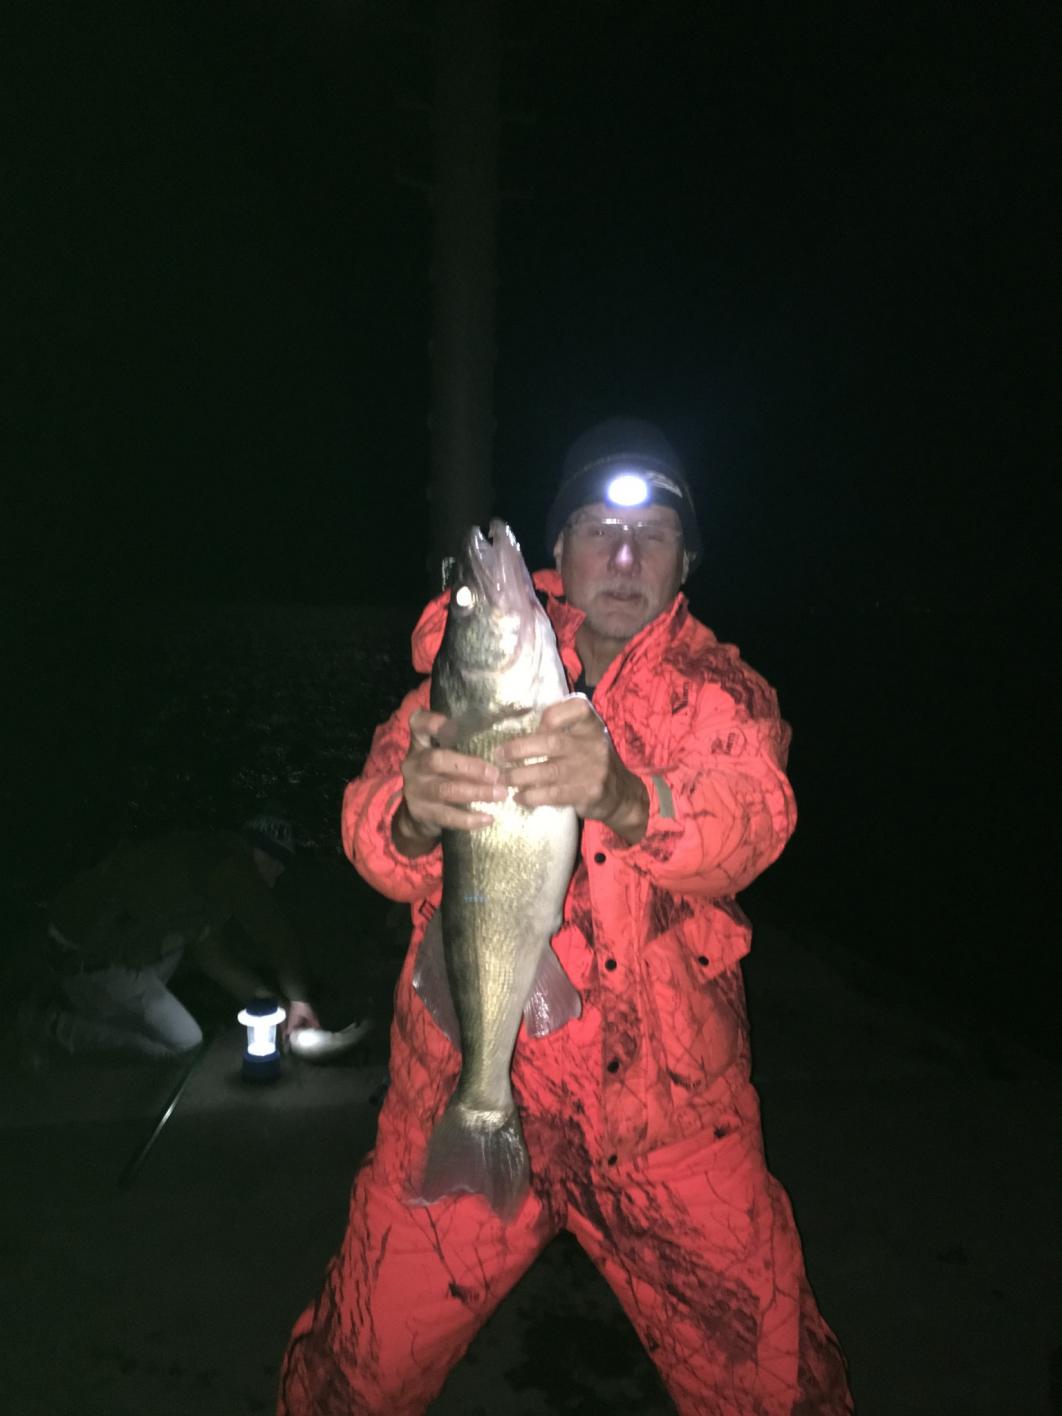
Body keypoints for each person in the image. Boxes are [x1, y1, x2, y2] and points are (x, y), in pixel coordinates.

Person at [278, 418, 853, 1414]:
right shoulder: (455, 689)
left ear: (686, 563)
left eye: (653, 537)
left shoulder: (723, 697)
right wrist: (411, 817)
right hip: (461, 1085)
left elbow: (754, 823)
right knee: (354, 1376)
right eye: (598, 530)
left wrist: (628, 799)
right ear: (558, 548)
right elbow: (369, 834)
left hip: (670, 1128)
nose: (624, 559)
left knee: (774, 1392)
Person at [28, 814, 324, 1059]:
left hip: (94, 946)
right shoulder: (230, 865)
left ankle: (97, 1005)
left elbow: (213, 958)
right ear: (252, 848)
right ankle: (57, 1027)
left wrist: (274, 1005)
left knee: (183, 944)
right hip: (85, 955)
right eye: (274, 858)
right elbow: (275, 934)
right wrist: (300, 999)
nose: (277, 872)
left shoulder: (205, 868)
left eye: (283, 864)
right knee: (186, 1043)